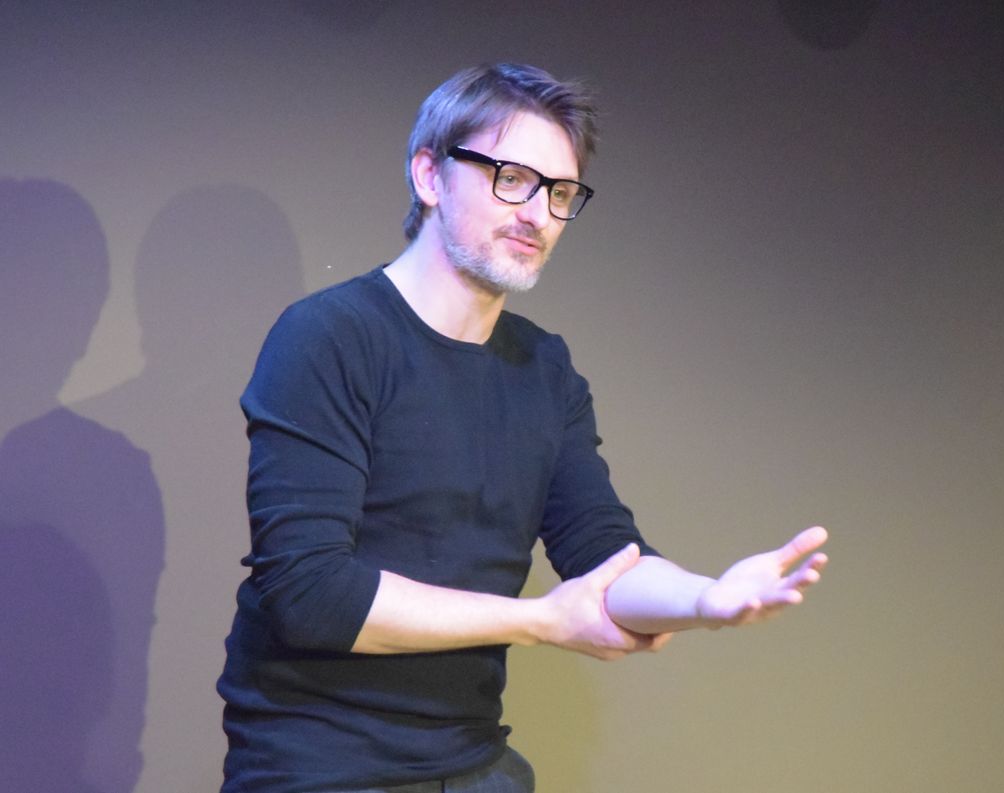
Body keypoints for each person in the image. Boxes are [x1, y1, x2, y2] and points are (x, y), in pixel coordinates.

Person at [217, 62, 829, 793]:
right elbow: (311, 594)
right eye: (512, 178)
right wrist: (539, 619)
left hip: (471, 759)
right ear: (430, 175)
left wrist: (707, 600)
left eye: (560, 193)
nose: (538, 213)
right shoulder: (330, 336)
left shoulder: (544, 368)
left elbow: (603, 554)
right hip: (320, 766)